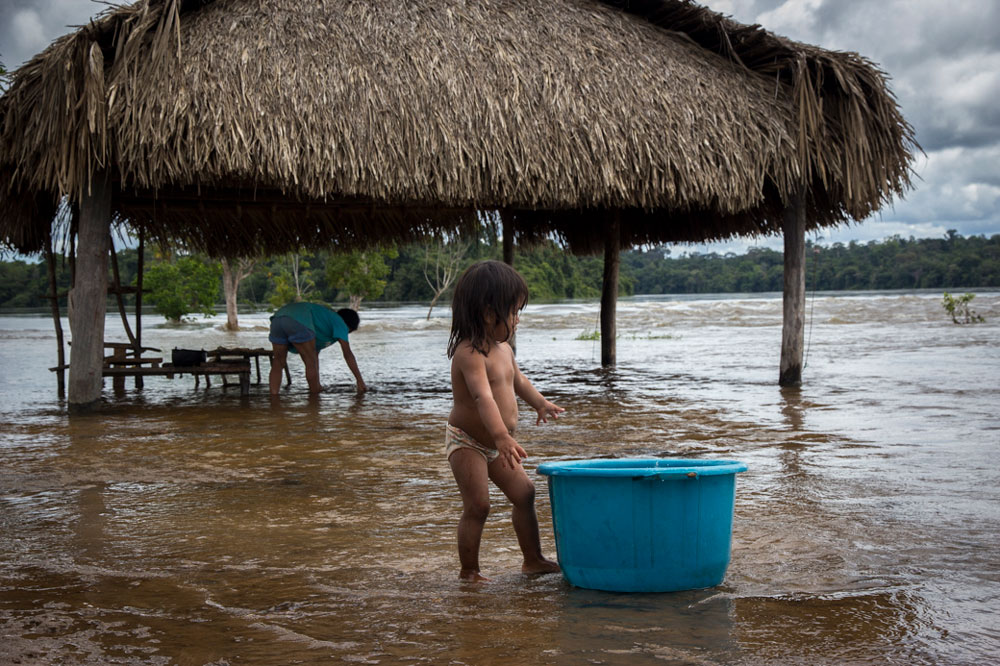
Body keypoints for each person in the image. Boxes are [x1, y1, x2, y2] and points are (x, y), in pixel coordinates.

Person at [446, 260, 564, 582]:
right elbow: (483, 397)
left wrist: (540, 403)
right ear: (488, 313)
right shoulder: (468, 354)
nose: (517, 320)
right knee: (479, 506)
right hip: (469, 441)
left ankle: (533, 559)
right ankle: (469, 571)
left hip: (499, 443)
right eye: (513, 312)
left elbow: (519, 381)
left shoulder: (504, 349)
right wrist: (500, 436)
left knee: (525, 494)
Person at [268, 301, 367, 395]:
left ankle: (274, 397)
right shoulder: (340, 322)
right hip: (298, 319)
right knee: (310, 362)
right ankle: (314, 397)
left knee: (278, 362)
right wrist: (359, 380)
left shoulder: (323, 321)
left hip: (277, 319)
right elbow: (348, 354)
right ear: (349, 326)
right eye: (348, 332)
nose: (345, 334)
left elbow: (315, 354)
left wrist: (318, 384)